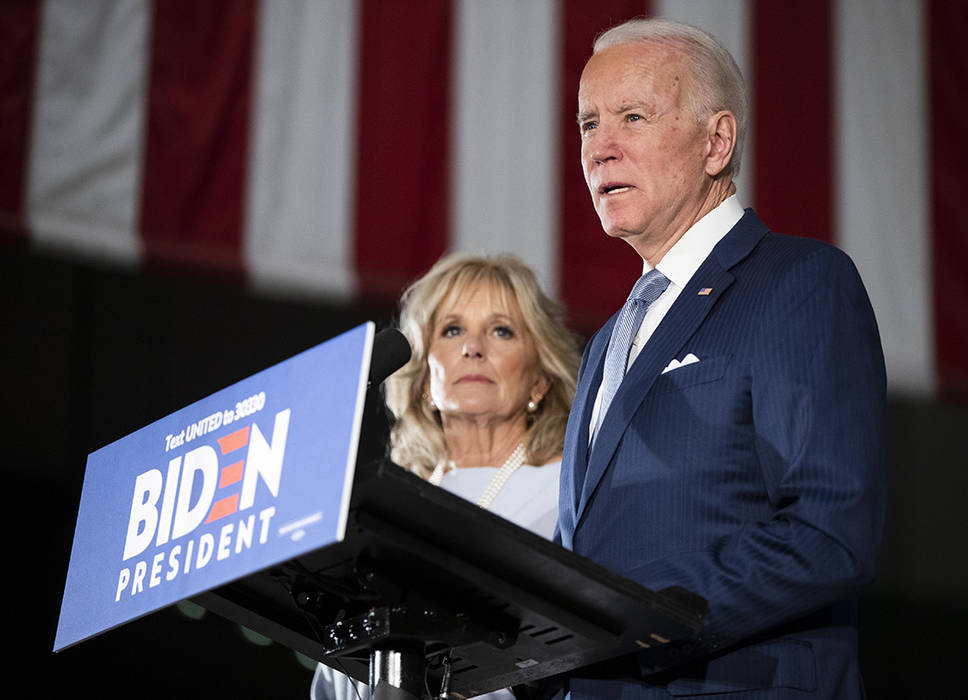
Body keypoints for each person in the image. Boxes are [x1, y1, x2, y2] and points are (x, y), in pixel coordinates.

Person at [557, 18, 886, 699]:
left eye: (633, 116)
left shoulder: (799, 283)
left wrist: (640, 623)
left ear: (717, 142)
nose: (601, 149)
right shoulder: (606, 343)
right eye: (589, 124)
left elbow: (829, 528)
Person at [312, 252, 580, 700]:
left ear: (540, 380)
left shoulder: (569, 495)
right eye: (452, 330)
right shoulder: (378, 510)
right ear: (422, 381)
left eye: (501, 331)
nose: (473, 348)